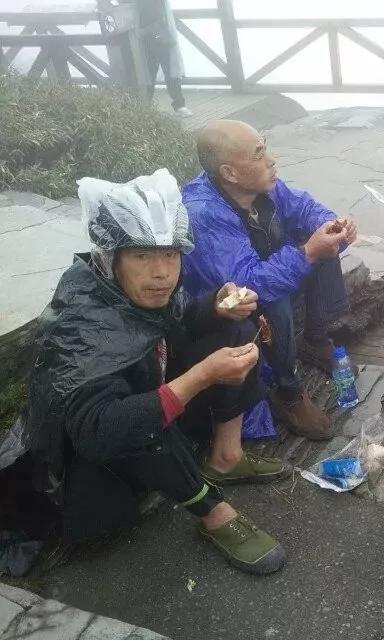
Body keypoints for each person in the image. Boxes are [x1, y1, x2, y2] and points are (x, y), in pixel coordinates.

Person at [23, 170, 286, 574]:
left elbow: (176, 321)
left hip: (147, 408)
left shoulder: (133, 289)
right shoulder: (82, 322)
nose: (162, 272)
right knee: (143, 419)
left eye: (171, 254)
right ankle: (213, 514)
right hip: (96, 470)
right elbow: (99, 429)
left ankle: (226, 457)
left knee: (236, 329)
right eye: (142, 256)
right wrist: (200, 377)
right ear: (110, 259)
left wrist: (216, 307)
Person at [182, 120, 357, 441]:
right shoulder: (202, 213)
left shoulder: (262, 187)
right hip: (220, 318)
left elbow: (303, 206)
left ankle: (315, 341)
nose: (271, 160)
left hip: (256, 279)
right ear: (229, 173)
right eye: (258, 154)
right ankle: (286, 389)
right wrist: (307, 253)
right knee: (275, 290)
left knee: (320, 240)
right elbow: (246, 288)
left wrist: (332, 225)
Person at [137, 0, 193, 118]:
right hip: (145, 40)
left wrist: (143, 31)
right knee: (149, 74)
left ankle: (179, 105)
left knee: (170, 71)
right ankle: (145, 106)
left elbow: (160, 14)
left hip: (160, 36)